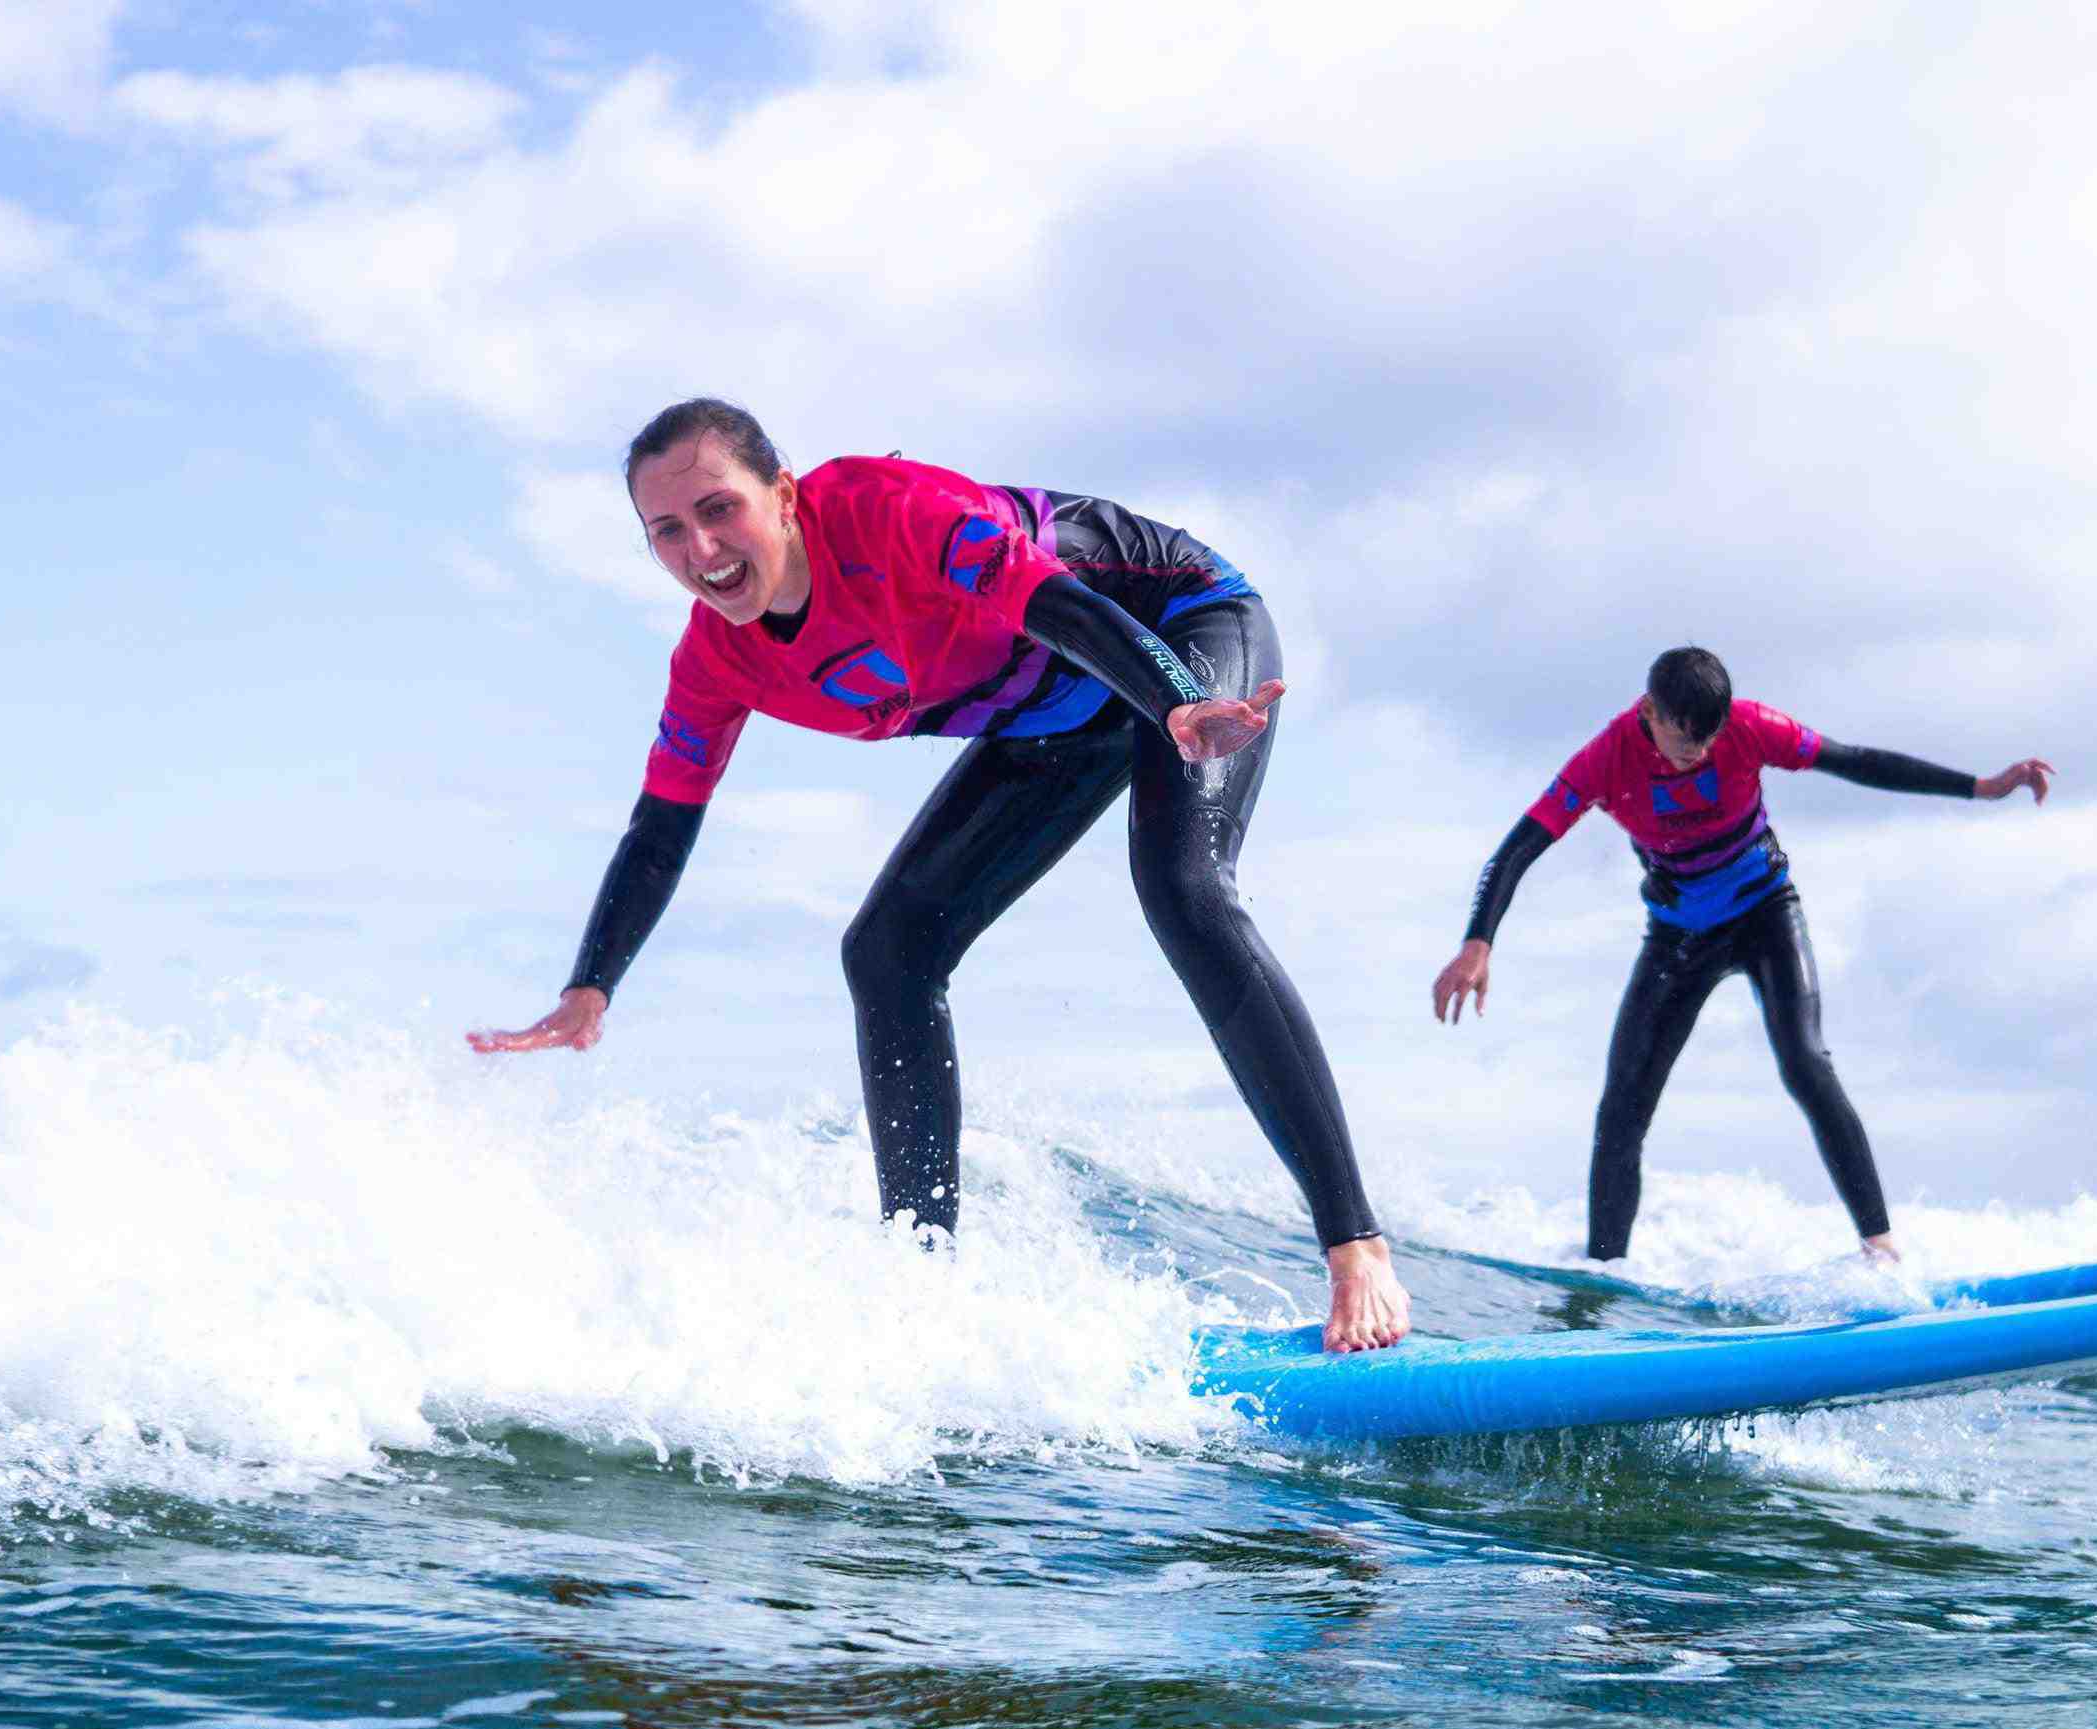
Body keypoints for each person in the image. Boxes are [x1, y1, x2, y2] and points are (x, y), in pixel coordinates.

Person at [471, 398, 1412, 1352]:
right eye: (665, 530)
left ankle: (1356, 1246)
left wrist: (1172, 698)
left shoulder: (888, 513)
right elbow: (662, 824)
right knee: (889, 951)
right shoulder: (718, 659)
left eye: (719, 509)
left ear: (784, 496)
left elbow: (1064, 608)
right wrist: (590, 986)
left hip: (1179, 630)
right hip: (1056, 718)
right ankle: (923, 1290)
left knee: (1184, 889)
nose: (699, 547)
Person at [1428, 646, 2053, 1265]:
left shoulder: (1752, 727)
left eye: (1709, 739)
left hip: (1766, 916)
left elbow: (1855, 761)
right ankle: (1601, 1276)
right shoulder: (1604, 759)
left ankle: (1881, 1248)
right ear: (1650, 711)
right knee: (1621, 1110)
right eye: (1684, 739)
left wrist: (1981, 787)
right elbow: (1516, 849)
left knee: (1806, 1064)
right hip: (1678, 940)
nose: (1697, 753)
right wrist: (1478, 943)